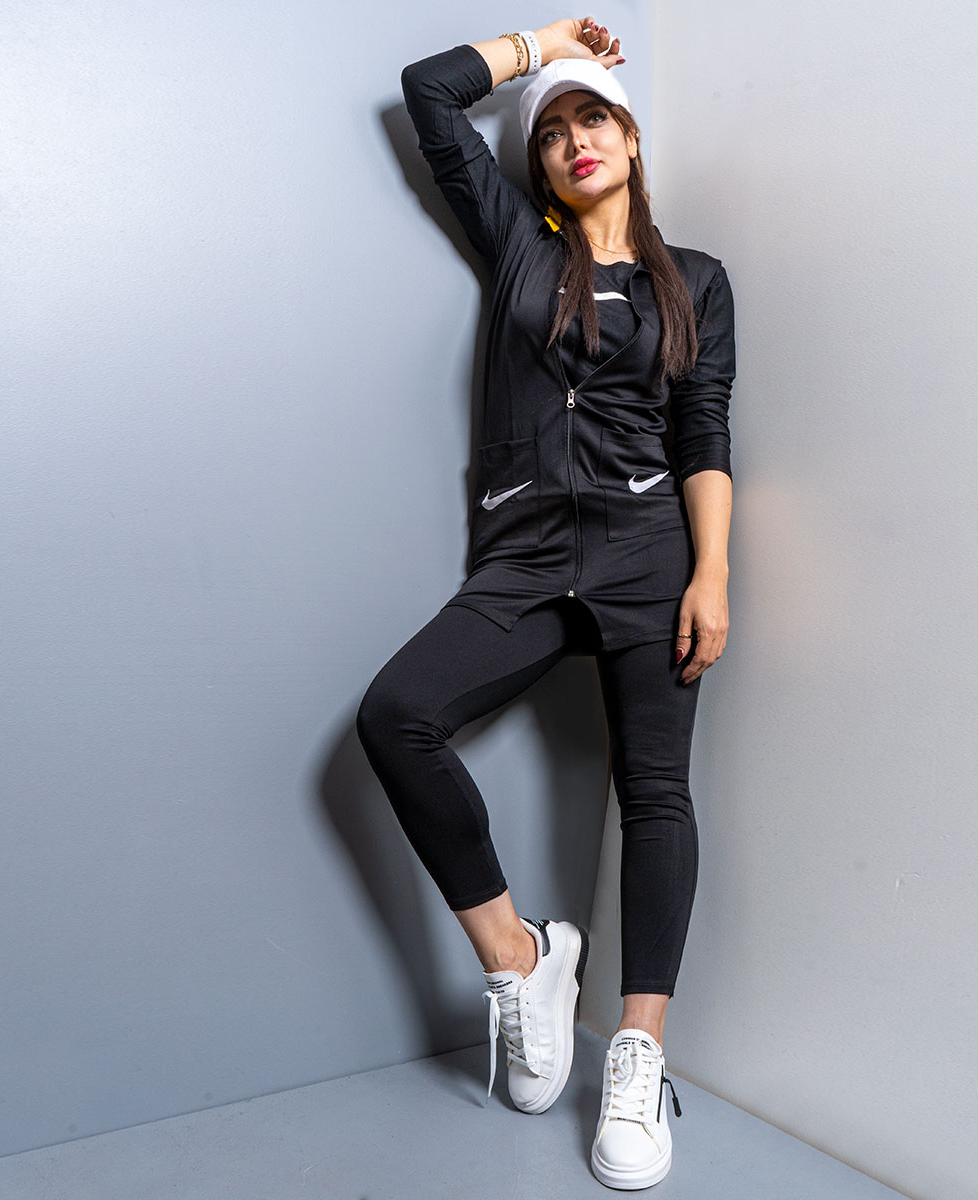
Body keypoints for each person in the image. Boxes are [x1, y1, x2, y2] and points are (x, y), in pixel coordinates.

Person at [356, 15, 735, 1191]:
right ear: (541, 172)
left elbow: (704, 432)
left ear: (632, 139)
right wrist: (546, 44)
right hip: (522, 557)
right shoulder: (522, 246)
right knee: (397, 718)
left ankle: (636, 1054)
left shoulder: (699, 281)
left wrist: (713, 573)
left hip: (648, 553)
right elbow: (426, 93)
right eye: (554, 133)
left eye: (594, 119)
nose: (576, 141)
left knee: (655, 791)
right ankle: (521, 959)